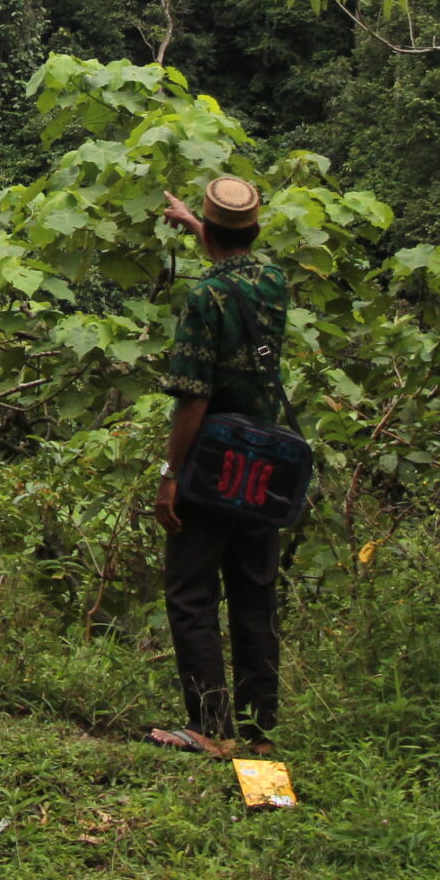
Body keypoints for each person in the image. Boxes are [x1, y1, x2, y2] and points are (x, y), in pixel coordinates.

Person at [147, 174, 289, 754]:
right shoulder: (274, 280)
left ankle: (209, 727)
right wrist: (195, 224)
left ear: (215, 232)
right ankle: (260, 734)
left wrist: (170, 475)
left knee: (192, 592)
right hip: (266, 458)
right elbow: (235, 257)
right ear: (254, 229)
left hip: (214, 459)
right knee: (255, 593)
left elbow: (194, 397)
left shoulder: (206, 297)